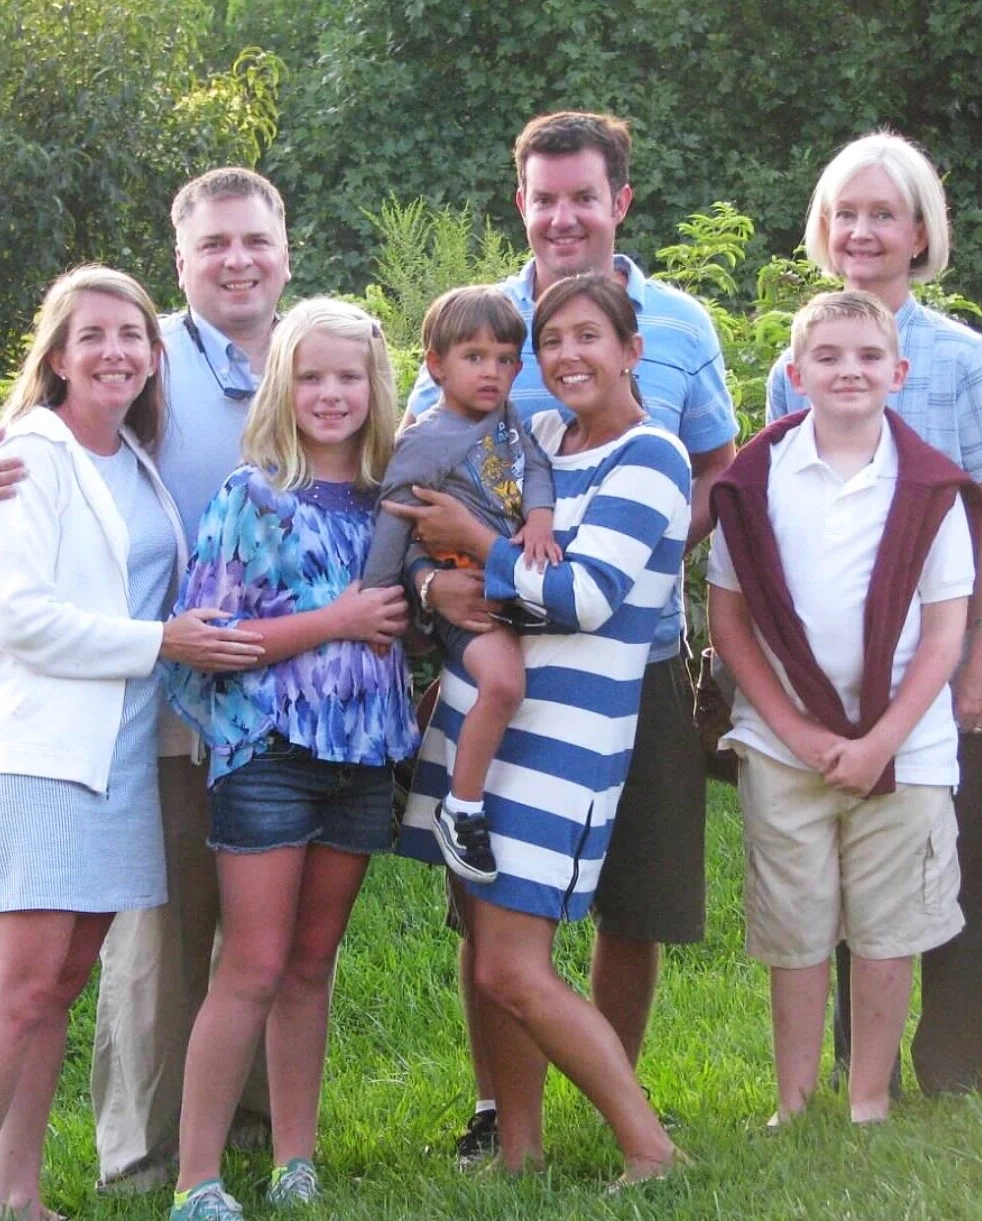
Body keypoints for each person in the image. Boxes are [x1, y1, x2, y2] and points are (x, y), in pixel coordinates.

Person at [0, 168, 287, 1190]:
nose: (117, 352)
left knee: (61, 981)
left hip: (132, 740)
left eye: (126, 338)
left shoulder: (133, 448)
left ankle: (19, 1193)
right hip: (48, 749)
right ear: (55, 352)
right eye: (92, 338)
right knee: (27, 987)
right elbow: (15, 611)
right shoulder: (36, 451)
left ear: (284, 250)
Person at [405, 110, 737, 1163]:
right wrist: (436, 586)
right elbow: (426, 470)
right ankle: (510, 1121)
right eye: (543, 198)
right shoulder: (481, 326)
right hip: (503, 664)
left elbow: (716, 468)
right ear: (521, 203)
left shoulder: (680, 329)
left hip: (625, 668)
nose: (562, 216)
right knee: (495, 916)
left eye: (581, 196)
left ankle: (620, 1109)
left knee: (631, 895)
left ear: (619, 201)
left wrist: (640, 566)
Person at [391, 273, 691, 1183]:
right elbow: (432, 550)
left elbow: (588, 596)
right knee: (487, 954)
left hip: (564, 742)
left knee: (516, 968)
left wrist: (476, 549)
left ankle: (649, 1146)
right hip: (479, 722)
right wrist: (427, 582)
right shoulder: (539, 441)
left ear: (632, 351)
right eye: (552, 340)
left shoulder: (655, 458)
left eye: (588, 337)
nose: (568, 356)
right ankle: (519, 1151)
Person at [764, 132, 982, 1094]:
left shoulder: (955, 358)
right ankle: (849, 1065)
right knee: (839, 856)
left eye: (884, 213)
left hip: (951, 651)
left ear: (921, 231)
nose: (864, 231)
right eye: (847, 214)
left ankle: (951, 1067)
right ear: (824, 231)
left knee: (946, 858)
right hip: (833, 668)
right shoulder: (799, 356)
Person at [162, 299, 418, 1219]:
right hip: (269, 756)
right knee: (254, 964)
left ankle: (293, 1161)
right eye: (312, 376)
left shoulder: (399, 500)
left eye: (349, 376)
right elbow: (215, 638)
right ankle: (197, 1179)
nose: (332, 393)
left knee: (314, 962)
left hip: (362, 762)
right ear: (283, 385)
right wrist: (336, 620)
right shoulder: (253, 494)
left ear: (374, 385)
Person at [709, 290, 978, 1124]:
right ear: (795, 374)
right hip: (783, 742)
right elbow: (728, 618)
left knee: (887, 929)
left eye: (867, 357)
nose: (848, 371)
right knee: (795, 929)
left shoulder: (931, 487)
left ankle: (867, 1098)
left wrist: (880, 742)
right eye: (827, 356)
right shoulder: (755, 480)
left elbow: (944, 638)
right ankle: (793, 1101)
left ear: (898, 373)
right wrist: (794, 729)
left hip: (906, 747)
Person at [361, 285, 561, 884]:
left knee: (515, 680)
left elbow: (537, 466)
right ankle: (460, 806)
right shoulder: (425, 440)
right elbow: (395, 515)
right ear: (436, 364)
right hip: (456, 590)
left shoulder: (507, 418)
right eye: (475, 358)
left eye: (505, 360)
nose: (492, 373)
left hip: (506, 584)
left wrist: (540, 515)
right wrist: (379, 606)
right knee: (503, 683)